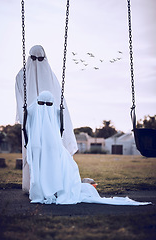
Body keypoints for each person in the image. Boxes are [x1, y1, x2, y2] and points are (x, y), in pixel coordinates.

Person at [26, 91, 151, 205]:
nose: (45, 108)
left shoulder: (51, 111)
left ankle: (54, 189)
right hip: (40, 147)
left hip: (52, 148)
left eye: (48, 104)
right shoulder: (34, 111)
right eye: (41, 104)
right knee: (45, 167)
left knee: (62, 167)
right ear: (37, 102)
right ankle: (46, 189)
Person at [15, 45, 78, 192]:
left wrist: (57, 118)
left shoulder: (50, 75)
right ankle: (32, 186)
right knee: (33, 150)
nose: (37, 62)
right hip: (30, 123)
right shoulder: (21, 76)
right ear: (29, 58)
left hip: (51, 123)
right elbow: (19, 102)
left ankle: (52, 185)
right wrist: (28, 120)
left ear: (45, 58)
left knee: (51, 150)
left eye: (40, 59)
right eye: (34, 59)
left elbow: (58, 99)